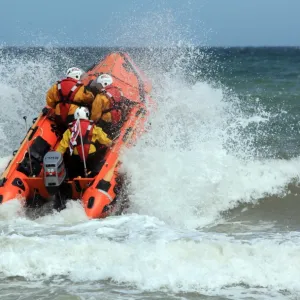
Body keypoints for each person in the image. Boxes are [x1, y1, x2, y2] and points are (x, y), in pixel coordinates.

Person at [56, 107, 112, 179]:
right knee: (100, 156)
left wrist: (57, 156)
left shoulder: (70, 129)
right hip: (91, 157)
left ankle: (76, 177)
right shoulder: (93, 127)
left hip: (77, 159)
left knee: (71, 164)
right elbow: (103, 139)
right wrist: (111, 143)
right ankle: (93, 174)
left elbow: (62, 147)